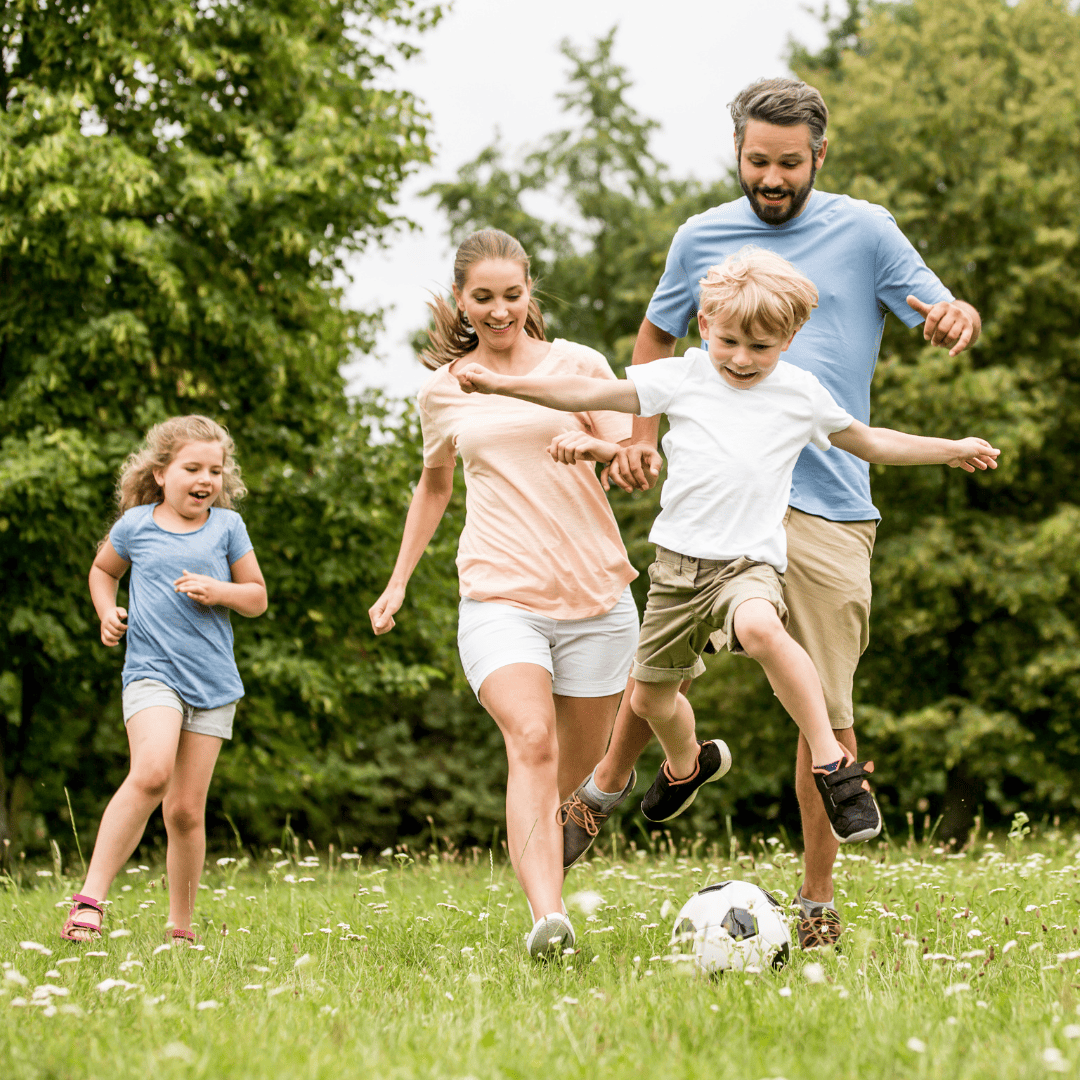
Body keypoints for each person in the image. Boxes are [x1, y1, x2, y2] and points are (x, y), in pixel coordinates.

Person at [555, 76, 985, 950]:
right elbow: (655, 342)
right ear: (739, 154)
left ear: (819, 155)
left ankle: (817, 899)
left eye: (790, 163)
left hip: (828, 503)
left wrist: (950, 316)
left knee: (822, 700)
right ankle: (605, 791)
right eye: (758, 162)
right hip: (721, 492)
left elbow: (933, 307)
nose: (773, 178)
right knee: (656, 668)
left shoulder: (866, 230)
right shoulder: (702, 236)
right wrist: (639, 437)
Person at [456, 246, 997, 849]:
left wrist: (948, 448)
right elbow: (584, 396)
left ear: (790, 338)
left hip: (748, 566)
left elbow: (869, 443)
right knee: (652, 699)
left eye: (760, 348)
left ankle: (833, 767)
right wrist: (502, 383)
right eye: (730, 342)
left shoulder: (800, 393)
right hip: (677, 574)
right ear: (706, 326)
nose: (742, 360)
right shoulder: (682, 376)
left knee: (763, 628)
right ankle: (689, 762)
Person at [368, 229, 639, 960]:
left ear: (531, 293)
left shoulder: (578, 365)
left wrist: (602, 448)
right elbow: (433, 487)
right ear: (461, 299)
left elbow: (637, 459)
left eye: (511, 296)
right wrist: (397, 583)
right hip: (498, 593)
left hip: (595, 594)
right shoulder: (443, 389)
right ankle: (549, 920)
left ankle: (564, 846)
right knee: (530, 740)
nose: (498, 311)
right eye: (482, 298)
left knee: (571, 788)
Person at [61, 416, 267, 944]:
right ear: (160, 472)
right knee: (151, 773)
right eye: (193, 468)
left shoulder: (227, 528)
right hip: (152, 673)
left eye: (216, 470)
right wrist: (107, 611)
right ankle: (90, 900)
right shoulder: (135, 525)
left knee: (183, 811)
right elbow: (102, 570)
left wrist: (218, 590)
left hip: (214, 683)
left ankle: (181, 928)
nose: (206, 479)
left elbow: (256, 598)